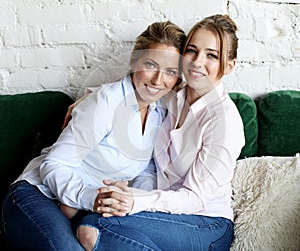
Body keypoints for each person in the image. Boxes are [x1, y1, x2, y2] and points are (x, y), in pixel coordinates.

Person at [1, 21, 186, 250]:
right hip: (39, 194)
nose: (159, 80)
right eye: (150, 64)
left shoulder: (159, 113)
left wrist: (131, 195)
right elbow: (54, 164)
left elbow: (148, 169)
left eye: (170, 72)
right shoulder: (106, 102)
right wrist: (92, 198)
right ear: (134, 62)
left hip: (85, 205)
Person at [72, 14, 245, 251]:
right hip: (163, 211)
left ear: (230, 66)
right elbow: (139, 85)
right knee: (88, 218)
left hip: (206, 223)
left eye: (211, 55)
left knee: (94, 229)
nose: (197, 61)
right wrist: (89, 97)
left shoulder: (224, 121)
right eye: (192, 51)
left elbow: (194, 198)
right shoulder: (174, 95)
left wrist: (136, 200)